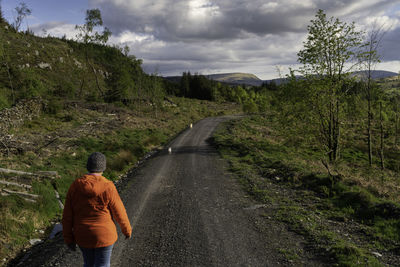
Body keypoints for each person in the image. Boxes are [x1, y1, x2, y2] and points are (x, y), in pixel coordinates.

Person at [62, 152, 132, 267]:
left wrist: (68, 238)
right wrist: (127, 230)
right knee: (103, 264)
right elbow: (119, 211)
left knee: (88, 264)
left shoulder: (75, 186)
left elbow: (67, 216)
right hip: (104, 235)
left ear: (88, 167)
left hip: (83, 235)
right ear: (103, 167)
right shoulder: (108, 186)